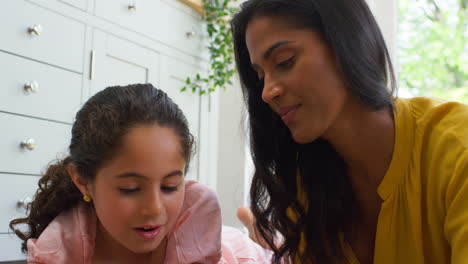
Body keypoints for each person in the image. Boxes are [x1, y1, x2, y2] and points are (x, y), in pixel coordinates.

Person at [230, 0, 468, 263]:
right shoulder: (307, 184)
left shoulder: (457, 148)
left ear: (347, 42)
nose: (267, 92)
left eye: (285, 61)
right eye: (261, 77)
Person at [9, 84, 270, 264]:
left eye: (170, 186)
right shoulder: (59, 252)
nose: (154, 209)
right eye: (130, 189)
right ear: (83, 181)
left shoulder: (204, 236)